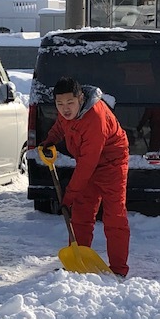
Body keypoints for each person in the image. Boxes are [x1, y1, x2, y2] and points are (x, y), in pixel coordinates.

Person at [40, 77, 131, 277]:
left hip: (112, 165)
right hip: (87, 163)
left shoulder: (94, 119)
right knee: (81, 216)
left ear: (80, 98)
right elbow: (60, 126)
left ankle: (118, 270)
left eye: (69, 103)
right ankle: (77, 264)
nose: (65, 109)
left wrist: (68, 197)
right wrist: (48, 142)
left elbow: (86, 166)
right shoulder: (67, 112)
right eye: (59, 104)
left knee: (114, 217)